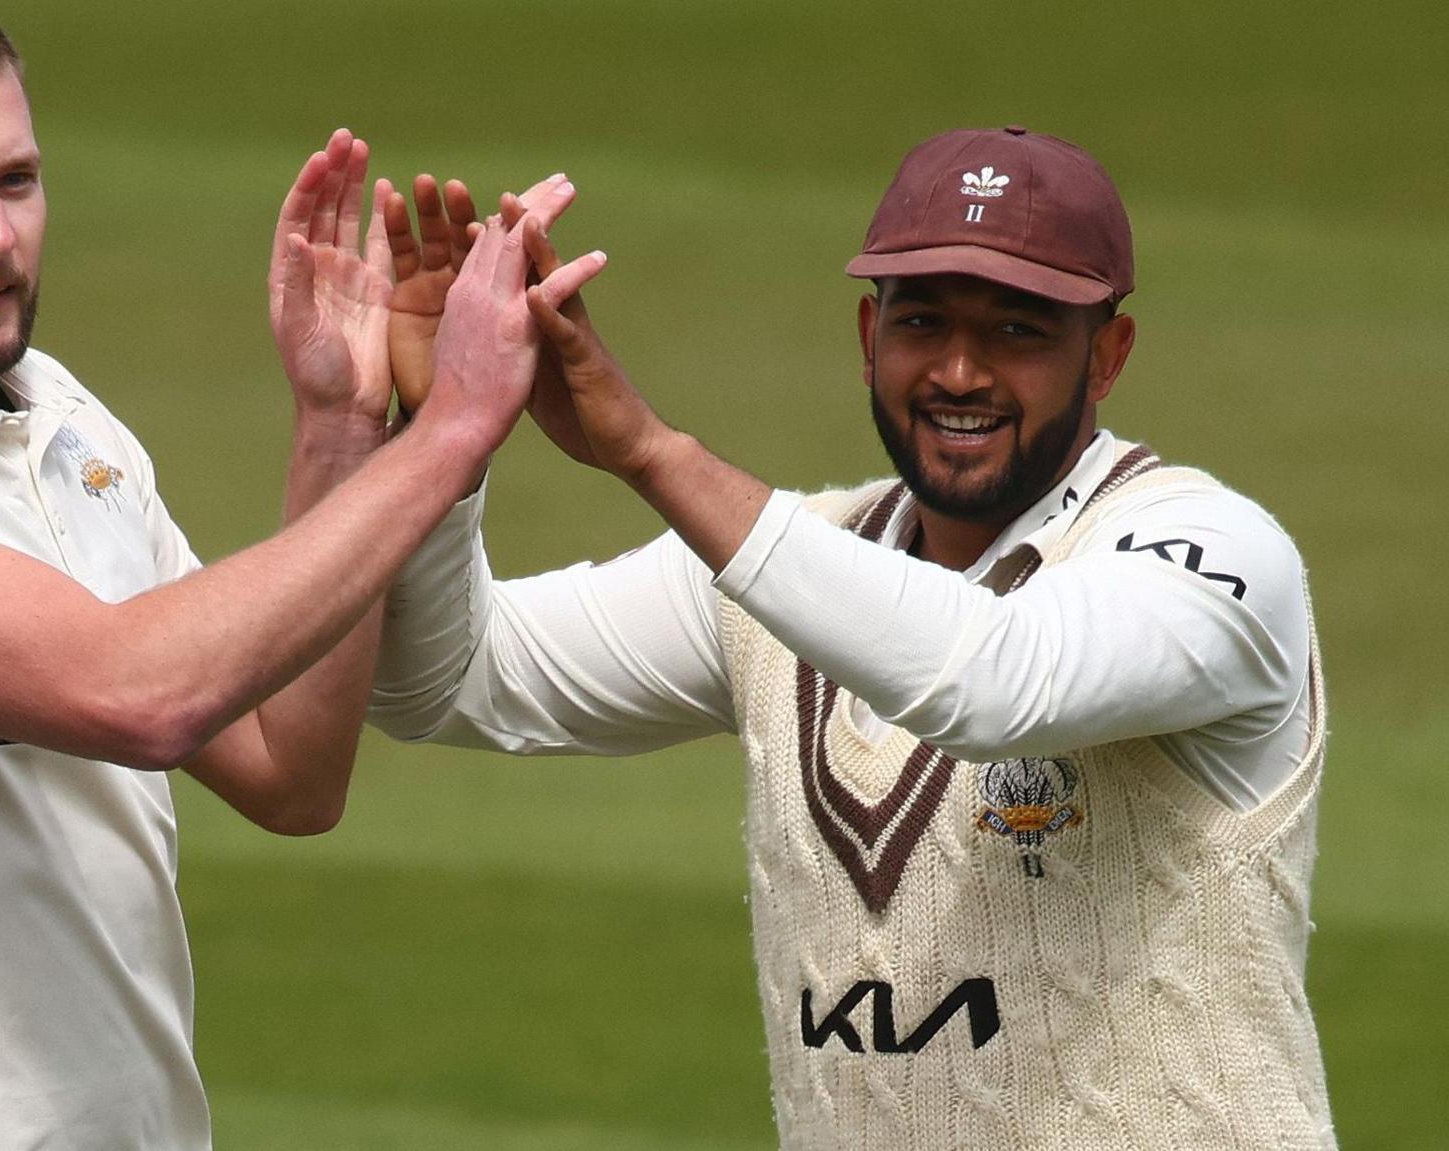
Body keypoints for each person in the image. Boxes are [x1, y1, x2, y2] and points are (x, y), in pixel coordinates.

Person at [0, 1, 591, 1145]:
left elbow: (290, 769)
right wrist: (449, 439)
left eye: (18, 181)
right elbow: (139, 693)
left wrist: (345, 428)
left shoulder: (61, 416)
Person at [371, 126, 1334, 1148]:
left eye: (1017, 330)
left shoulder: (1212, 552)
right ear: (867, 336)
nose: (959, 371)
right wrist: (443, 440)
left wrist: (650, 454)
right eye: (922, 322)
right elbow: (438, 682)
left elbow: (992, 682)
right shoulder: (783, 567)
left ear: (1107, 353)